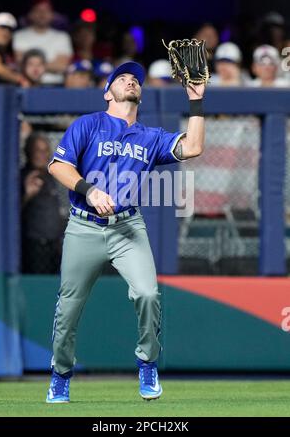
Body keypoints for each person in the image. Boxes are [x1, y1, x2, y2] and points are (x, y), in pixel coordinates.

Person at [46, 61, 205, 403]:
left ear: (141, 94)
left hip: (128, 228)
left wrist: (196, 102)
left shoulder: (149, 137)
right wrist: (89, 190)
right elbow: (58, 165)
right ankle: (61, 374)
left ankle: (147, 363)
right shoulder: (88, 124)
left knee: (148, 294)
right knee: (68, 309)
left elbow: (192, 148)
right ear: (108, 93)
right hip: (84, 226)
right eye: (122, 78)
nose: (131, 81)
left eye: (136, 79)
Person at [21, 134, 65, 274]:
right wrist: (27, 194)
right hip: (34, 245)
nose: (42, 155)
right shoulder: (22, 176)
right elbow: (9, 214)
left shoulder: (50, 177)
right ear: (28, 152)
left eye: (45, 150)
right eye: (37, 150)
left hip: (55, 243)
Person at [13, 0, 73, 85]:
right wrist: (51, 65)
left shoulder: (63, 37)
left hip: (56, 86)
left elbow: (62, 66)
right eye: (38, 10)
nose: (42, 14)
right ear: (30, 14)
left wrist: (32, 65)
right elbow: (20, 63)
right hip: (26, 86)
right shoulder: (18, 36)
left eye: (46, 10)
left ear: (52, 14)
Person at [0, 12, 28, 85]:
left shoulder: (9, 54)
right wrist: (20, 79)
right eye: (2, 28)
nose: (6, 33)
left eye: (10, 30)